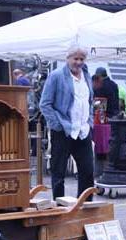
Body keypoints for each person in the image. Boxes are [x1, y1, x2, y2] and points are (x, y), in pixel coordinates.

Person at [39, 46, 94, 201]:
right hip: (63, 130)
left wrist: (89, 121)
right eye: (75, 58)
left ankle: (84, 206)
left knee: (88, 171)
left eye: (81, 59)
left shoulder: (87, 76)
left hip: (83, 131)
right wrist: (57, 125)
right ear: (67, 58)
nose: (78, 62)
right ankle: (59, 206)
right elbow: (45, 104)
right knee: (59, 172)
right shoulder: (56, 76)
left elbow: (89, 101)